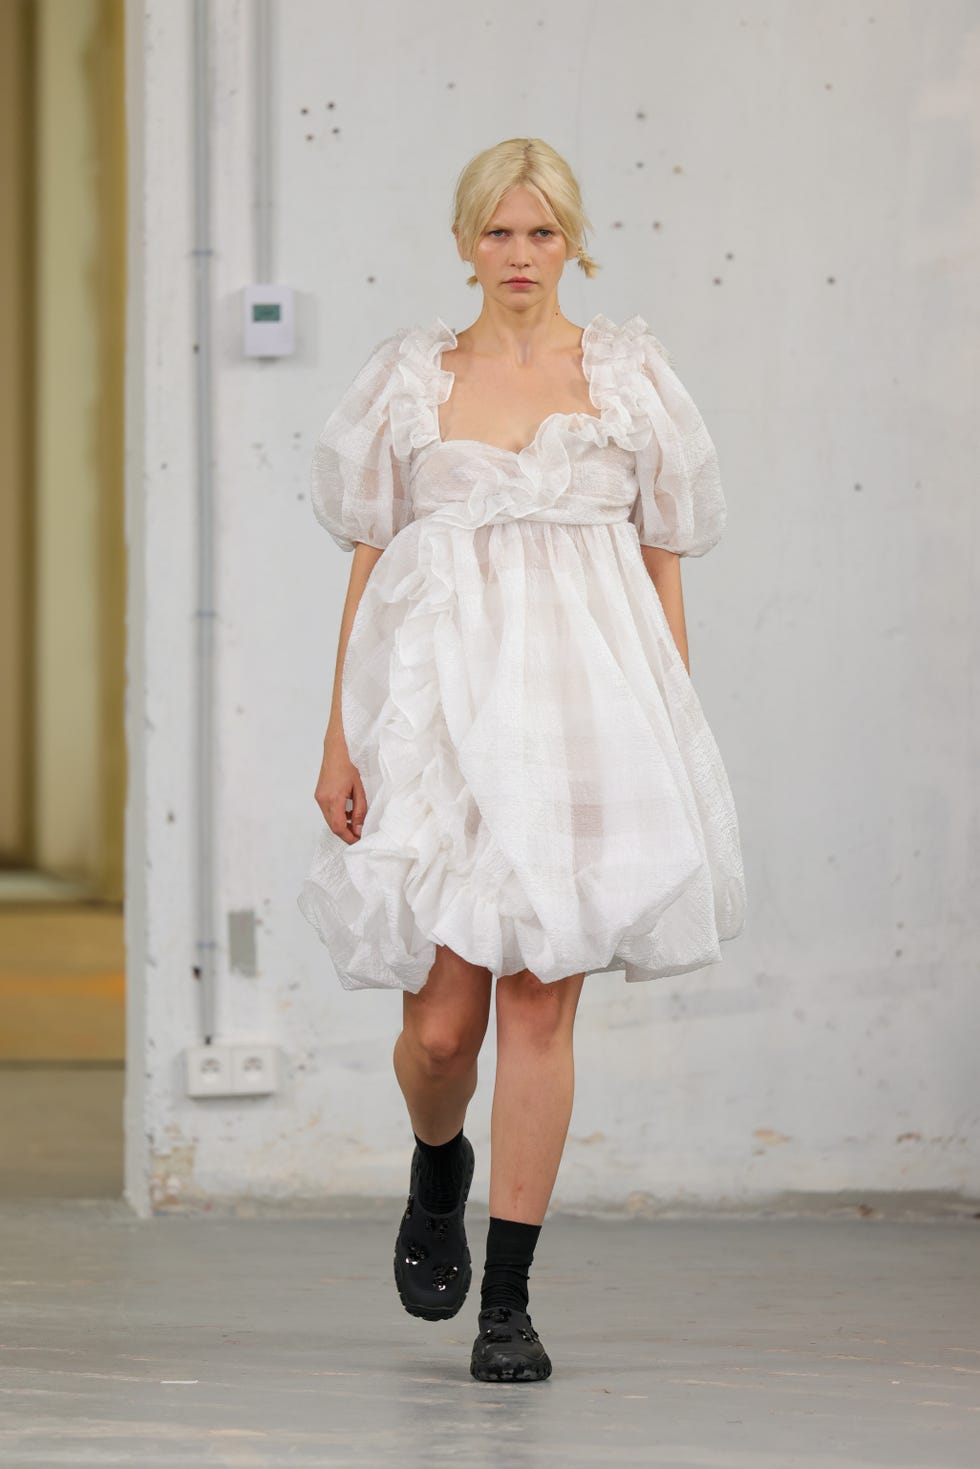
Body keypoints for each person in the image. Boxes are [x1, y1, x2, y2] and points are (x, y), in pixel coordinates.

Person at [297, 137, 747, 1383]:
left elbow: (664, 564)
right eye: (496, 232)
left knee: (541, 1001)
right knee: (443, 1032)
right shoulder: (407, 379)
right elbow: (369, 569)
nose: (518, 255)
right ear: (461, 243)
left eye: (540, 233)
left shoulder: (627, 374)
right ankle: (437, 1165)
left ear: (572, 242)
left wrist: (664, 723)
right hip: (438, 721)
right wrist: (339, 733)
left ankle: (509, 1302)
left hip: (585, 721)